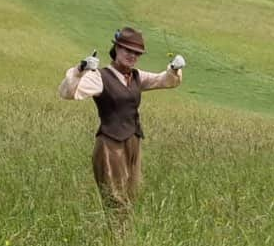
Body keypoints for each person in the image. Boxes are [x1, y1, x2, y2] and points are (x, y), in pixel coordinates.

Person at [58, 26, 186, 222]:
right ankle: (117, 239)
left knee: (131, 195)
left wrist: (174, 69)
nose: (132, 56)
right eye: (127, 50)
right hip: (110, 143)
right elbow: (68, 92)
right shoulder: (100, 76)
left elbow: (162, 80)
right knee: (115, 200)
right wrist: (80, 69)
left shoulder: (136, 76)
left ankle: (124, 237)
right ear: (116, 48)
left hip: (134, 142)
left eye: (136, 53)